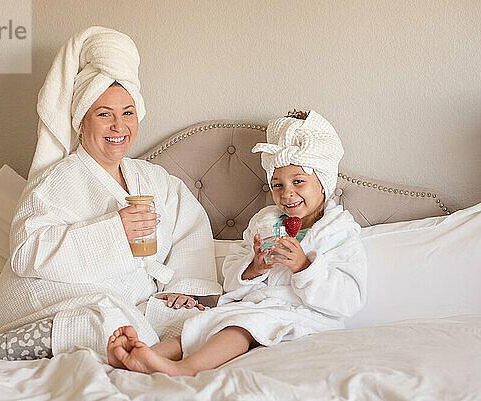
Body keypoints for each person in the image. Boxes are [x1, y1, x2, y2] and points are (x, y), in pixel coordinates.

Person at [0, 27, 221, 361]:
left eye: (127, 112)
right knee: (106, 320)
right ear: (81, 122)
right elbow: (26, 254)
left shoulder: (155, 179)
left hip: (130, 300)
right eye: (103, 114)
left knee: (206, 324)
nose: (118, 126)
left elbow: (191, 232)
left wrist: (182, 289)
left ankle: (139, 351)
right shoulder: (54, 181)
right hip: (43, 292)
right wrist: (115, 230)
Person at [107, 110, 367, 376]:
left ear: (323, 183)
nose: (287, 193)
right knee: (205, 323)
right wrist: (253, 268)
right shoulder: (264, 222)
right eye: (277, 185)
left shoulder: (340, 232)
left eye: (298, 182)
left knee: (239, 327)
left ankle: (184, 368)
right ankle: (143, 356)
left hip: (306, 317)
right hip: (255, 307)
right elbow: (230, 281)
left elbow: (350, 299)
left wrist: (304, 267)